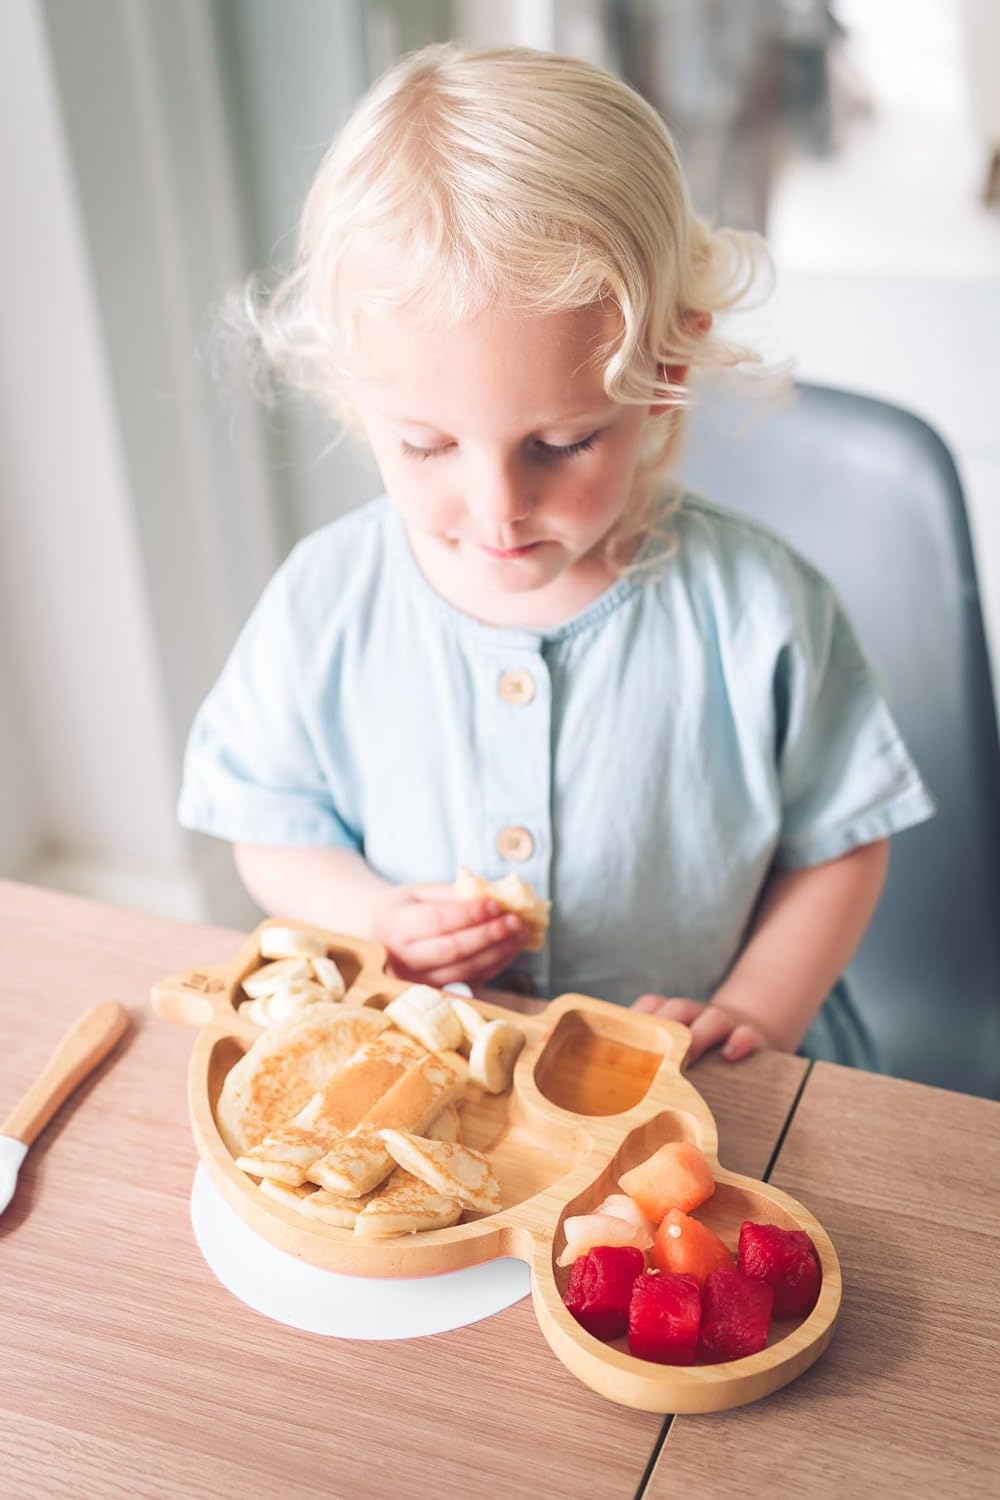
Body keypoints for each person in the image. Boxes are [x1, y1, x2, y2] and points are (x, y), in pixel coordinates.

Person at [179, 44, 934, 1069]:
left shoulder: (757, 607)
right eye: (427, 444)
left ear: (663, 374)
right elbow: (267, 822)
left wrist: (759, 1006)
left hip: (712, 1091)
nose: (499, 508)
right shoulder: (324, 601)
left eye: (561, 443)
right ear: (355, 393)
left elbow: (842, 842)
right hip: (438, 1082)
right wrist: (374, 912)